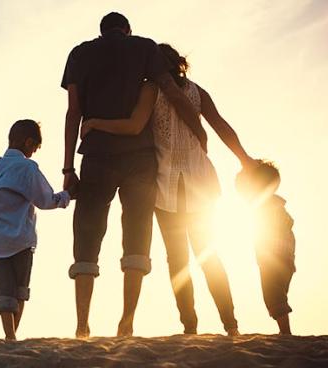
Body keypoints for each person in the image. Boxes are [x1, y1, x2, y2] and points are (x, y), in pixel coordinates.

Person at [81, 44, 255, 336]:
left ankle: (190, 327)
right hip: (202, 184)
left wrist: (97, 123)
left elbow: (135, 126)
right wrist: (244, 159)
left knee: (178, 260)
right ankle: (231, 325)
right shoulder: (197, 91)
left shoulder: (150, 90)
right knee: (208, 255)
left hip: (166, 186)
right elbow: (221, 127)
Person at [62, 12, 210, 338]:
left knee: (87, 235)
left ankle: (82, 323)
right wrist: (199, 130)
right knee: (136, 234)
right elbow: (171, 91)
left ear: (101, 32)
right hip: (140, 158)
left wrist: (68, 168)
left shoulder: (80, 54)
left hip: (96, 155)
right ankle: (127, 320)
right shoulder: (145, 48)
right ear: (127, 30)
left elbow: (74, 111)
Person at [0, 119, 71, 341]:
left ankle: (9, 334)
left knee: (4, 290)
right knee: (20, 290)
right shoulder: (27, 168)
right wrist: (66, 197)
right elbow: (45, 199)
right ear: (29, 142)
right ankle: (12, 337)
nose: (33, 153)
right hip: (21, 238)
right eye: (34, 148)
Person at [236, 160, 295, 335]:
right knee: (278, 293)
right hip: (286, 258)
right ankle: (284, 330)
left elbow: (239, 186)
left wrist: (245, 169)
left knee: (273, 294)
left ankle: (285, 331)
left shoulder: (262, 203)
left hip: (272, 257)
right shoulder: (277, 205)